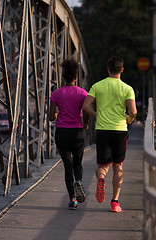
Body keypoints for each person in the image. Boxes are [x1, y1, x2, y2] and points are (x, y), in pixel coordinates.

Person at [82, 56, 137, 213]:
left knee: (102, 166)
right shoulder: (127, 88)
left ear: (108, 69)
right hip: (120, 131)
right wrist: (129, 119)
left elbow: (86, 106)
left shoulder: (98, 86)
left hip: (103, 130)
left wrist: (95, 115)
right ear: (122, 70)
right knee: (118, 165)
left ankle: (100, 178)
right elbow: (133, 111)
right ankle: (115, 202)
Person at [49, 59, 89, 210]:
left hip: (62, 133)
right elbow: (86, 112)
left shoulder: (57, 93)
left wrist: (59, 113)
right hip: (78, 132)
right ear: (76, 77)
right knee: (78, 162)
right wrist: (84, 124)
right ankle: (78, 181)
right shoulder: (83, 93)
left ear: (64, 77)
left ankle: (73, 199)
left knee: (68, 166)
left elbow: (51, 117)